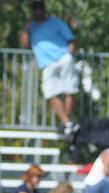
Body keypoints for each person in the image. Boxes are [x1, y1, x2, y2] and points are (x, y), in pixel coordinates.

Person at [20, 0, 80, 136]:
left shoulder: (57, 22)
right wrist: (26, 28)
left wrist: (69, 56)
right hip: (47, 64)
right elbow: (24, 44)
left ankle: (66, 124)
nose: (38, 11)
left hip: (64, 58)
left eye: (40, 8)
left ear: (44, 10)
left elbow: (71, 40)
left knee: (69, 90)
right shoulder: (31, 26)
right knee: (49, 92)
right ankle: (68, 123)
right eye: (35, 8)